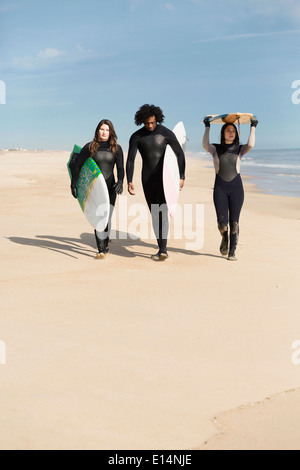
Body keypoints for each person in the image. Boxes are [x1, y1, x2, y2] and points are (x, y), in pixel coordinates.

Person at [126, 104, 186, 261]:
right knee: (154, 214)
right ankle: (161, 247)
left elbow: (180, 154)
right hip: (147, 179)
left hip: (165, 180)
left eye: (152, 123)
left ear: (157, 119)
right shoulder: (137, 137)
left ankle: (163, 249)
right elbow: (130, 160)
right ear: (142, 122)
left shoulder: (166, 134)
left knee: (163, 212)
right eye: (147, 123)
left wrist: (181, 176)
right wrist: (129, 180)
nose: (150, 126)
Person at [202, 116, 258, 260]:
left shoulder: (240, 149)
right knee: (222, 224)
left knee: (234, 223)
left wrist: (253, 127)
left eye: (233, 130)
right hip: (220, 188)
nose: (231, 133)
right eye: (228, 130)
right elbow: (205, 144)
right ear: (223, 133)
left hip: (236, 189)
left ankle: (232, 252)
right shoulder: (215, 148)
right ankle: (224, 239)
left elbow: (251, 145)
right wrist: (207, 126)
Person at [70, 119, 124, 259]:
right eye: (102, 129)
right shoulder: (89, 147)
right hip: (95, 188)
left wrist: (121, 182)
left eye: (107, 130)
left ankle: (105, 245)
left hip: (111, 187)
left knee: (107, 217)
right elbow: (77, 166)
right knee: (98, 216)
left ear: (111, 132)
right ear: (97, 131)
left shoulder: (116, 148)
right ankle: (101, 249)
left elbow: (120, 168)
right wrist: (73, 184)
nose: (104, 132)